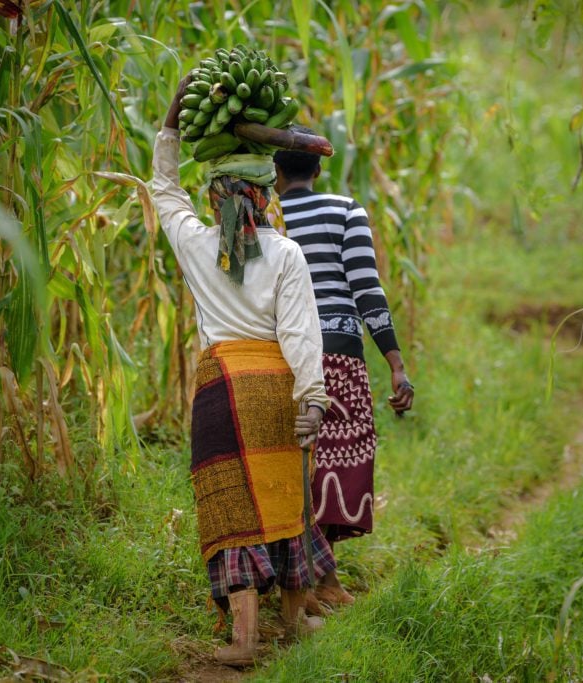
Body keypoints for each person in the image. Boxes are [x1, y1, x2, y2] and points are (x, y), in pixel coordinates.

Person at [150, 77, 334, 667]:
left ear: (214, 199)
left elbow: (162, 189)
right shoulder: (285, 253)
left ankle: (244, 641)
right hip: (276, 387)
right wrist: (311, 398)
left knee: (233, 513)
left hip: (220, 391)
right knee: (288, 502)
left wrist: (172, 121)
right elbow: (302, 333)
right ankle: (293, 621)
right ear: (264, 195)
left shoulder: (196, 244)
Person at [273, 131, 415, 608]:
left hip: (281, 357)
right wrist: (395, 363)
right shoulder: (346, 210)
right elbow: (367, 291)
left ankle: (312, 580)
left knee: (298, 464)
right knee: (337, 461)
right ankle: (319, 580)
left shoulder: (267, 217)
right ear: (317, 169)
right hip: (337, 355)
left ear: (274, 174)